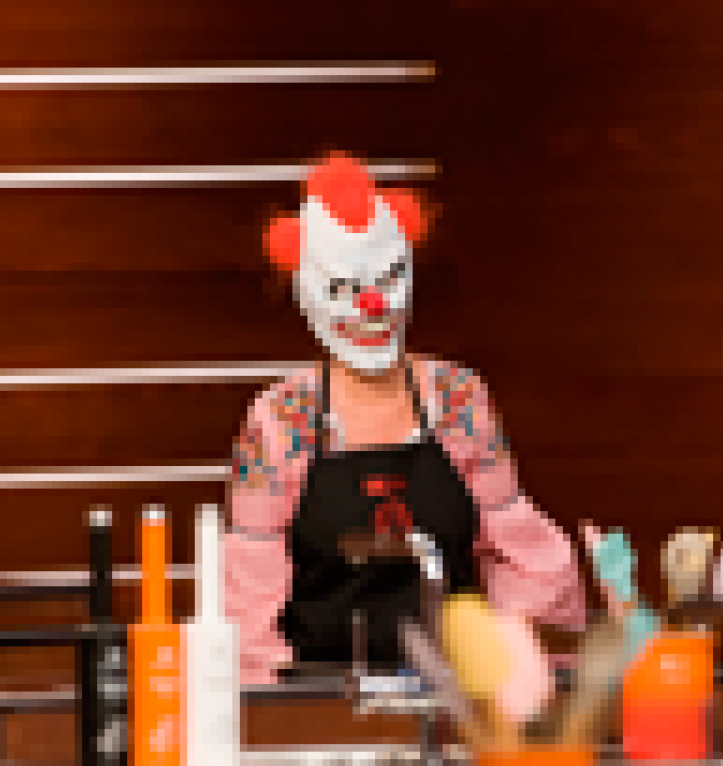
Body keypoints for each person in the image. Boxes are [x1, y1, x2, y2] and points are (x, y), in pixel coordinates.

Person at [224, 151, 587, 684]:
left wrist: (519, 674)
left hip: (456, 694)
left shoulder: (458, 398)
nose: (373, 306)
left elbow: (520, 550)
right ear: (307, 293)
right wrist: (272, 702)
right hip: (320, 698)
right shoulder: (280, 418)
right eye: (345, 288)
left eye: (389, 278)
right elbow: (249, 591)